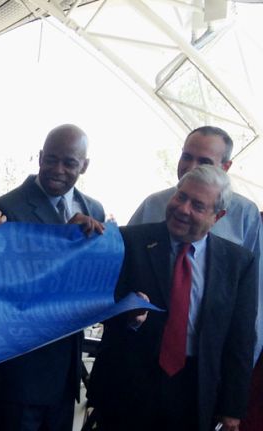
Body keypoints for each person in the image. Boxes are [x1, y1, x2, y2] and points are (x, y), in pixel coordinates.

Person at [88, 165, 257, 431]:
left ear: (218, 216)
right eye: (181, 196)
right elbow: (95, 304)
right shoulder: (129, 241)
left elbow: (240, 339)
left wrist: (232, 408)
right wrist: (129, 314)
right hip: (127, 387)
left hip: (194, 391)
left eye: (198, 206)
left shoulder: (238, 262)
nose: (183, 209)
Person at [0, 124, 105, 431]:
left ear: (84, 166)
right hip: (15, 376)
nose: (57, 169)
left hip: (64, 377)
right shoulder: (4, 210)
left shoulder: (94, 210)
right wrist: (63, 241)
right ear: (39, 157)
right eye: (50, 159)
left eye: (69, 162)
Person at [129, 126, 263, 362]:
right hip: (140, 360)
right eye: (186, 156)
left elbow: (253, 299)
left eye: (204, 161)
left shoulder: (245, 215)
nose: (191, 167)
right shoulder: (153, 205)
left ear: (225, 167)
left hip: (206, 363)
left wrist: (246, 362)